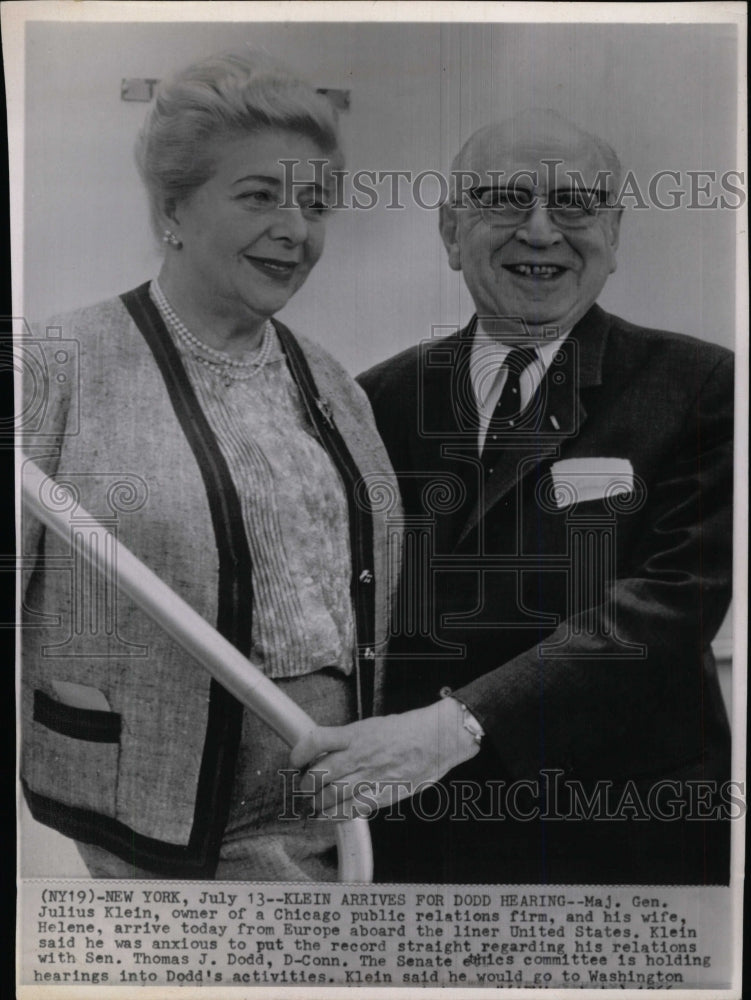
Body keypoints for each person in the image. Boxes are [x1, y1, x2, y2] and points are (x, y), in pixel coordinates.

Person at [292, 110, 733, 885]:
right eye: (504, 200)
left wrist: (462, 723)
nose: (540, 231)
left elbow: (675, 600)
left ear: (614, 233)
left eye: (574, 205)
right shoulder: (376, 400)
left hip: (621, 837)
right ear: (451, 231)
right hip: (422, 833)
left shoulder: (699, 387)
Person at [20, 50, 400, 881]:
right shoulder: (55, 364)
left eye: (314, 203)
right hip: (152, 813)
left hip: (328, 813)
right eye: (259, 195)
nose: (295, 230)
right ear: (173, 209)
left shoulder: (334, 383)